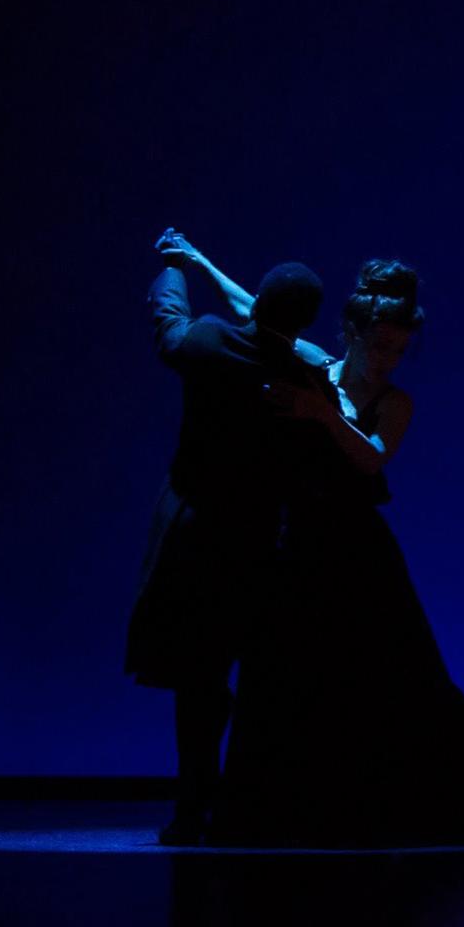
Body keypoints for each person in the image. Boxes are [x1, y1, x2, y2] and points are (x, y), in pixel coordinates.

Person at [206, 257, 464, 847]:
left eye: (398, 349)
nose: (387, 358)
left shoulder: (393, 403)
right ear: (352, 333)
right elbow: (253, 311)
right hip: (299, 546)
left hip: (361, 554)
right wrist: (197, 262)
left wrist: (321, 414)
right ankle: (284, 807)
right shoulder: (318, 367)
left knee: (414, 676)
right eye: (380, 345)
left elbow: (371, 457)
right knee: (288, 674)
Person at [125, 229, 339, 847]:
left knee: (199, 683)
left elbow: (170, 323)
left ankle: (193, 808)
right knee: (267, 679)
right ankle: (261, 805)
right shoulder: (309, 372)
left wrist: (174, 268)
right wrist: (202, 260)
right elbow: (270, 325)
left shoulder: (212, 343)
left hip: (199, 540)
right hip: (267, 547)